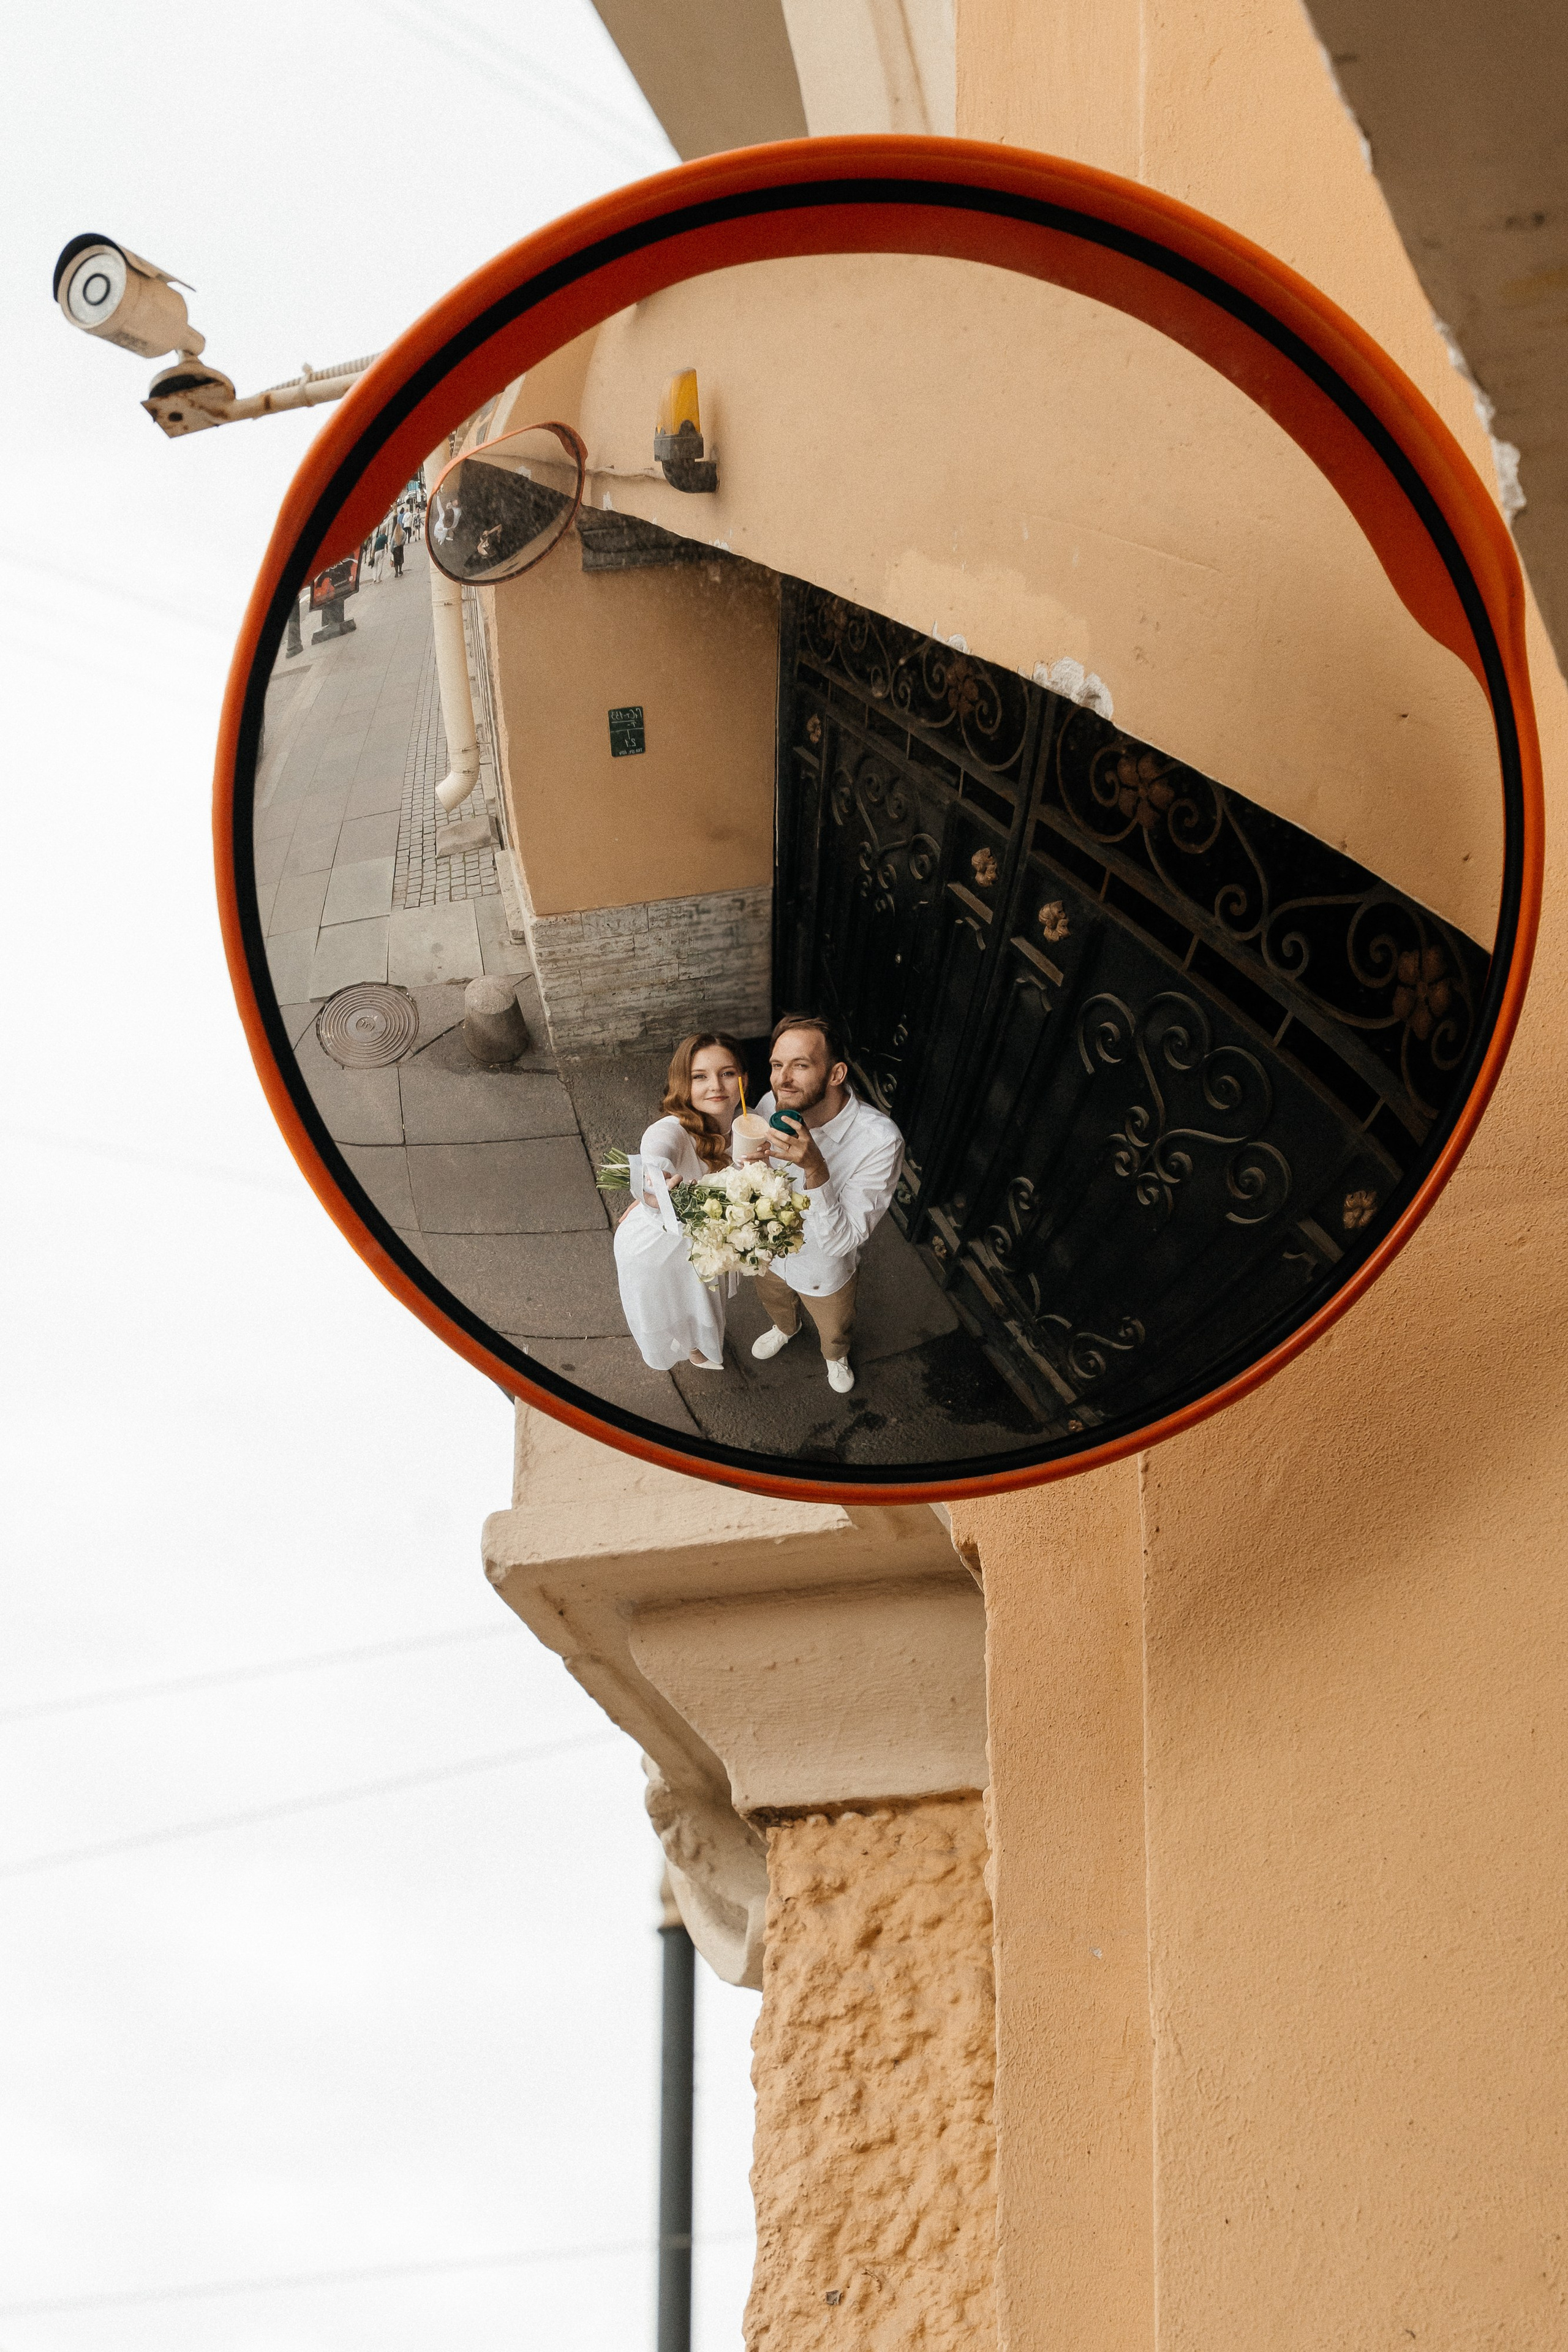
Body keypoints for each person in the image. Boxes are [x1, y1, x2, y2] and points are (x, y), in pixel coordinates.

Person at [748, 1012, 903, 1395]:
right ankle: (786, 1328)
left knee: (834, 1328)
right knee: (776, 1303)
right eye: (777, 1065)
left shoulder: (880, 1142)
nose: (783, 1079)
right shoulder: (772, 1102)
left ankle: (835, 1356)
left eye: (800, 1066)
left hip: (825, 1269)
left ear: (836, 1075)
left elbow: (841, 1241)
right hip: (768, 1252)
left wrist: (816, 1168)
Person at [614, 1033, 750, 1374]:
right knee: (672, 1308)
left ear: (744, 1080)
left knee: (703, 1302)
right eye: (699, 1076)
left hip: (706, 1245)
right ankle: (692, 1349)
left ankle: (700, 1347)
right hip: (657, 1249)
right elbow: (656, 1154)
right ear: (683, 1085)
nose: (716, 1085)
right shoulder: (672, 1130)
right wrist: (654, 1187)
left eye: (728, 1073)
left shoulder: (751, 1124)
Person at [390, 514, 406, 578]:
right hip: (400, 548)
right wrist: (402, 543)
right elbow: (405, 538)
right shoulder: (403, 533)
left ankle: (396, 573)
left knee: (396, 562)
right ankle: (400, 570)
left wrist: (391, 551)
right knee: (401, 560)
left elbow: (392, 544)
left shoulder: (394, 536)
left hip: (395, 549)